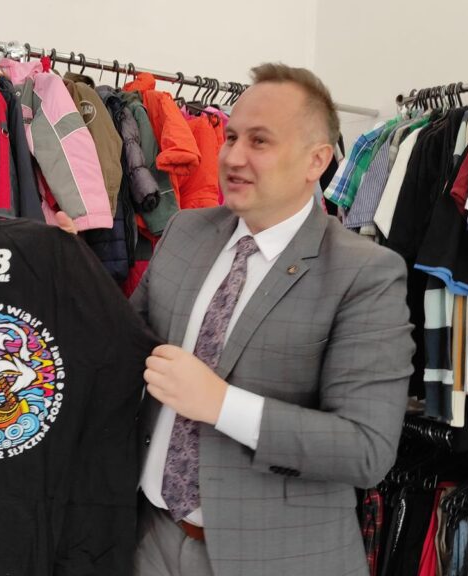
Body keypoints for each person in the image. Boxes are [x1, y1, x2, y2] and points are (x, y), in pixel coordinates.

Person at [58, 63, 414, 576]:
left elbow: (366, 449)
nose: (233, 156)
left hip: (275, 560)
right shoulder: (186, 231)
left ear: (317, 160)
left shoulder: (365, 273)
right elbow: (127, 345)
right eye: (231, 137)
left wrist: (221, 404)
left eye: (260, 141)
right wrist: (74, 272)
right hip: (148, 538)